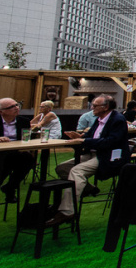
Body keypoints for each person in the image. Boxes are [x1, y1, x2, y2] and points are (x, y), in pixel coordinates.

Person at [51, 95, 130, 226]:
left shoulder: (117, 120)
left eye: (95, 105)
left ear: (106, 107)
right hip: (93, 154)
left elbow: (111, 142)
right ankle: (89, 189)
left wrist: (84, 140)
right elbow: (92, 135)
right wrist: (80, 136)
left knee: (77, 171)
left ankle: (67, 211)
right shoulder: (99, 119)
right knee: (62, 168)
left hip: (108, 157)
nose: (92, 108)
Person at [0, 98, 35, 206]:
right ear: (1, 112)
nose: (16, 108)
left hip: (15, 154)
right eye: (11, 107)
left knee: (28, 159)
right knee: (5, 163)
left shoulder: (24, 121)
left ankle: (9, 187)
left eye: (17, 105)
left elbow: (26, 139)